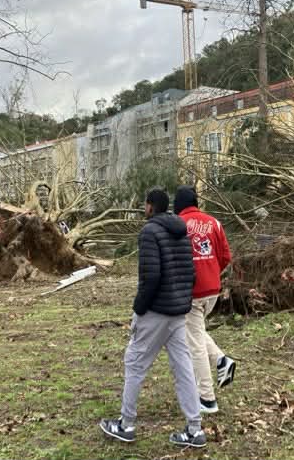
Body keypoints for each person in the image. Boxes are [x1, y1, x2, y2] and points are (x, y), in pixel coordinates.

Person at [99, 188, 207, 448]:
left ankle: (126, 424)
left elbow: (151, 276)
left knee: (134, 364)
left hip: (156, 312)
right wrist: (181, 299)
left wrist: (139, 308)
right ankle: (195, 429)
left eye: (145, 204)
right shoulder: (181, 230)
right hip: (178, 312)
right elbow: (191, 272)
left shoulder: (149, 232)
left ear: (150, 206)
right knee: (183, 369)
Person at [174, 185, 236, 414]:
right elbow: (226, 256)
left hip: (192, 291)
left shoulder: (178, 224)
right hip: (213, 289)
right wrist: (211, 271)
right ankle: (221, 360)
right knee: (196, 331)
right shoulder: (214, 223)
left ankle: (207, 398)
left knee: (195, 344)